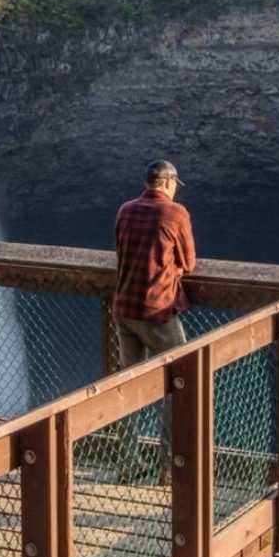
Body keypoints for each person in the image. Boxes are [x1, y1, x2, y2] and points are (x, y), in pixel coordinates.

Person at [112, 159, 197, 484]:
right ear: (168, 183)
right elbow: (188, 262)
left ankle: (127, 463)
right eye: (176, 185)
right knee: (181, 380)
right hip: (158, 312)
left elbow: (122, 252)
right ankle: (169, 466)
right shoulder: (176, 213)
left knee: (126, 387)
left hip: (124, 309)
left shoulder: (124, 210)